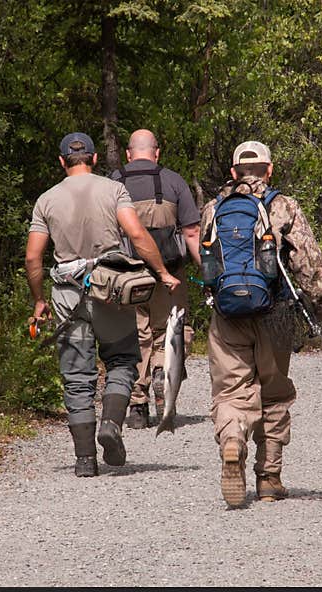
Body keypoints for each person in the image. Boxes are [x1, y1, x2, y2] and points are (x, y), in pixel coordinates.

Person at [25, 132, 181, 477]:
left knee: (77, 377)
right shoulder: (113, 190)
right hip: (109, 289)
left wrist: (39, 300)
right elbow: (137, 235)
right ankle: (110, 424)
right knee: (123, 360)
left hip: (68, 298)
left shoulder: (46, 200)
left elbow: (33, 257)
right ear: (94, 159)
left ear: (62, 161)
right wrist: (162, 272)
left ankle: (84, 460)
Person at [199, 140, 322, 507]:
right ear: (269, 170)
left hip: (227, 315)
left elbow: (206, 263)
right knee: (273, 392)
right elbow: (313, 268)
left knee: (230, 391)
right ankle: (270, 478)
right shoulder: (283, 206)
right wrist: (317, 309)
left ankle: (232, 440)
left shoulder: (213, 209)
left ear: (233, 172)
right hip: (274, 313)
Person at [110, 129, 202, 429]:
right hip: (169, 274)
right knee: (170, 332)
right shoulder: (174, 181)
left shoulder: (114, 181)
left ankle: (137, 405)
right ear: (157, 152)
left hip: (128, 277)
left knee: (136, 335)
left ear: (128, 153)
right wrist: (208, 270)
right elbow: (191, 232)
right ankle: (163, 371)